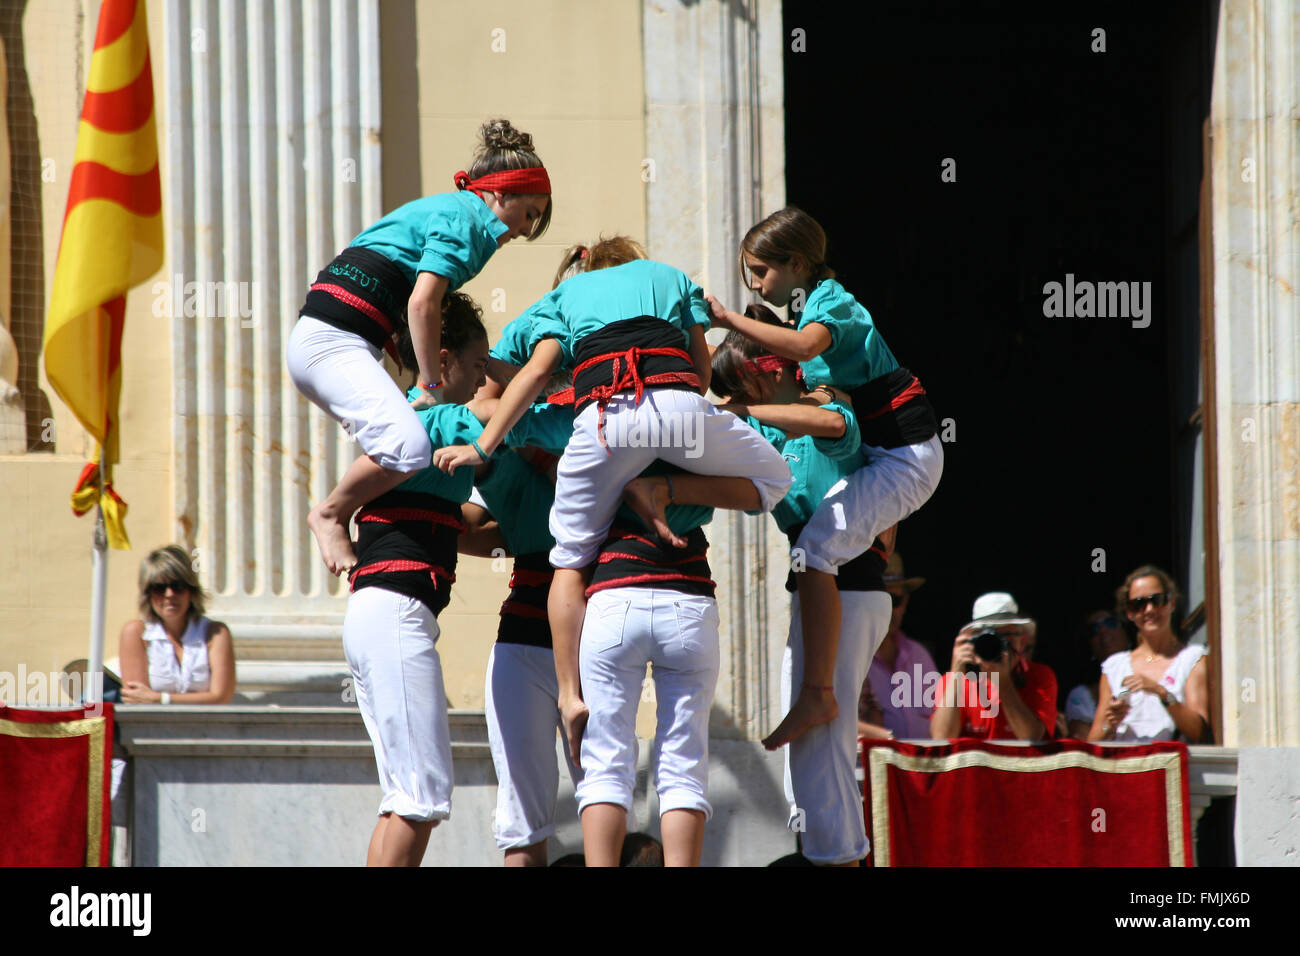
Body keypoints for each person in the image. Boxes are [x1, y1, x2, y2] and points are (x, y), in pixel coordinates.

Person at [431, 237, 792, 763]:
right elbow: (701, 368)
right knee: (773, 480)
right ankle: (661, 490)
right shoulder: (668, 279)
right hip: (675, 445)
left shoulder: (569, 300)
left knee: (569, 565)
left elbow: (524, 377)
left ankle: (569, 693)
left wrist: (485, 443)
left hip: (603, 434)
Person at [706, 207, 943, 750]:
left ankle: (817, 694)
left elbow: (805, 350)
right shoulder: (806, 313)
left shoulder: (831, 303)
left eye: (761, 273)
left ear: (795, 263)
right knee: (818, 548)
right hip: (892, 456)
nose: (758, 287)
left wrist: (728, 319)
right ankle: (815, 693)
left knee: (815, 551)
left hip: (907, 452)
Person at [287, 118, 551, 576]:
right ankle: (330, 512)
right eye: (529, 213)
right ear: (500, 195)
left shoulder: (453, 212)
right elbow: (423, 303)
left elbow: (424, 312)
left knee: (403, 444)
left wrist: (507, 372)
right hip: (331, 341)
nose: (525, 231)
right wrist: (429, 384)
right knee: (410, 446)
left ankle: (338, 512)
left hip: (333, 342)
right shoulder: (469, 222)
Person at [710, 316, 889, 865]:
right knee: (809, 749)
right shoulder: (765, 430)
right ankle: (822, 851)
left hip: (852, 586)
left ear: (766, 367)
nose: (737, 398)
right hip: (815, 591)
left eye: (741, 384)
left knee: (822, 738)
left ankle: (842, 857)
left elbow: (834, 425)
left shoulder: (826, 395)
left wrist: (746, 411)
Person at [341, 291, 508, 866]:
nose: (486, 380)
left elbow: (458, 525)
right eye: (480, 366)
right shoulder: (428, 419)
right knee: (422, 793)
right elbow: (503, 414)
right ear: (443, 359)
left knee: (406, 794)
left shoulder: (415, 428)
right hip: (394, 612)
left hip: (385, 613)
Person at [1088, 566, 1210, 743]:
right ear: (1129, 613)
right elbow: (1093, 742)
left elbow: (1199, 733)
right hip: (1124, 767)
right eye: (1138, 604)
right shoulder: (1115, 666)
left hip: (1169, 766)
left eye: (1157, 600)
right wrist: (1111, 722)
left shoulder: (1191, 658)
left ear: (1171, 603)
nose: (1149, 610)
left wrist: (1160, 692)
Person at [118, 545, 235, 706]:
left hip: (208, 728)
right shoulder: (136, 633)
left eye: (177, 586)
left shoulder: (216, 633)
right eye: (159, 588)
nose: (169, 594)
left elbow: (221, 697)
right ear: (148, 594)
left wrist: (161, 699)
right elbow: (137, 699)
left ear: (191, 590)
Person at [930, 592, 1057, 741]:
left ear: (1022, 642)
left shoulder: (1040, 676)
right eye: (987, 636)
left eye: (1006, 635)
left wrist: (1002, 683)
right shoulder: (954, 681)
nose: (996, 644)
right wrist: (956, 671)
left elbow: (1032, 738)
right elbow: (941, 738)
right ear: (972, 641)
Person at [858, 553, 937, 740]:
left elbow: (942, 719)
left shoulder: (919, 655)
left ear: (905, 602)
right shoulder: (846, 657)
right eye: (880, 600)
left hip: (922, 768)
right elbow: (829, 717)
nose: (887, 610)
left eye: (894, 600)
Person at [1064, 610, 1130, 739]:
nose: (1103, 631)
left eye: (1111, 623)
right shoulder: (1082, 696)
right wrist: (1107, 725)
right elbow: (1084, 749)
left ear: (1127, 633)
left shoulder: (1153, 674)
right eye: (1093, 630)